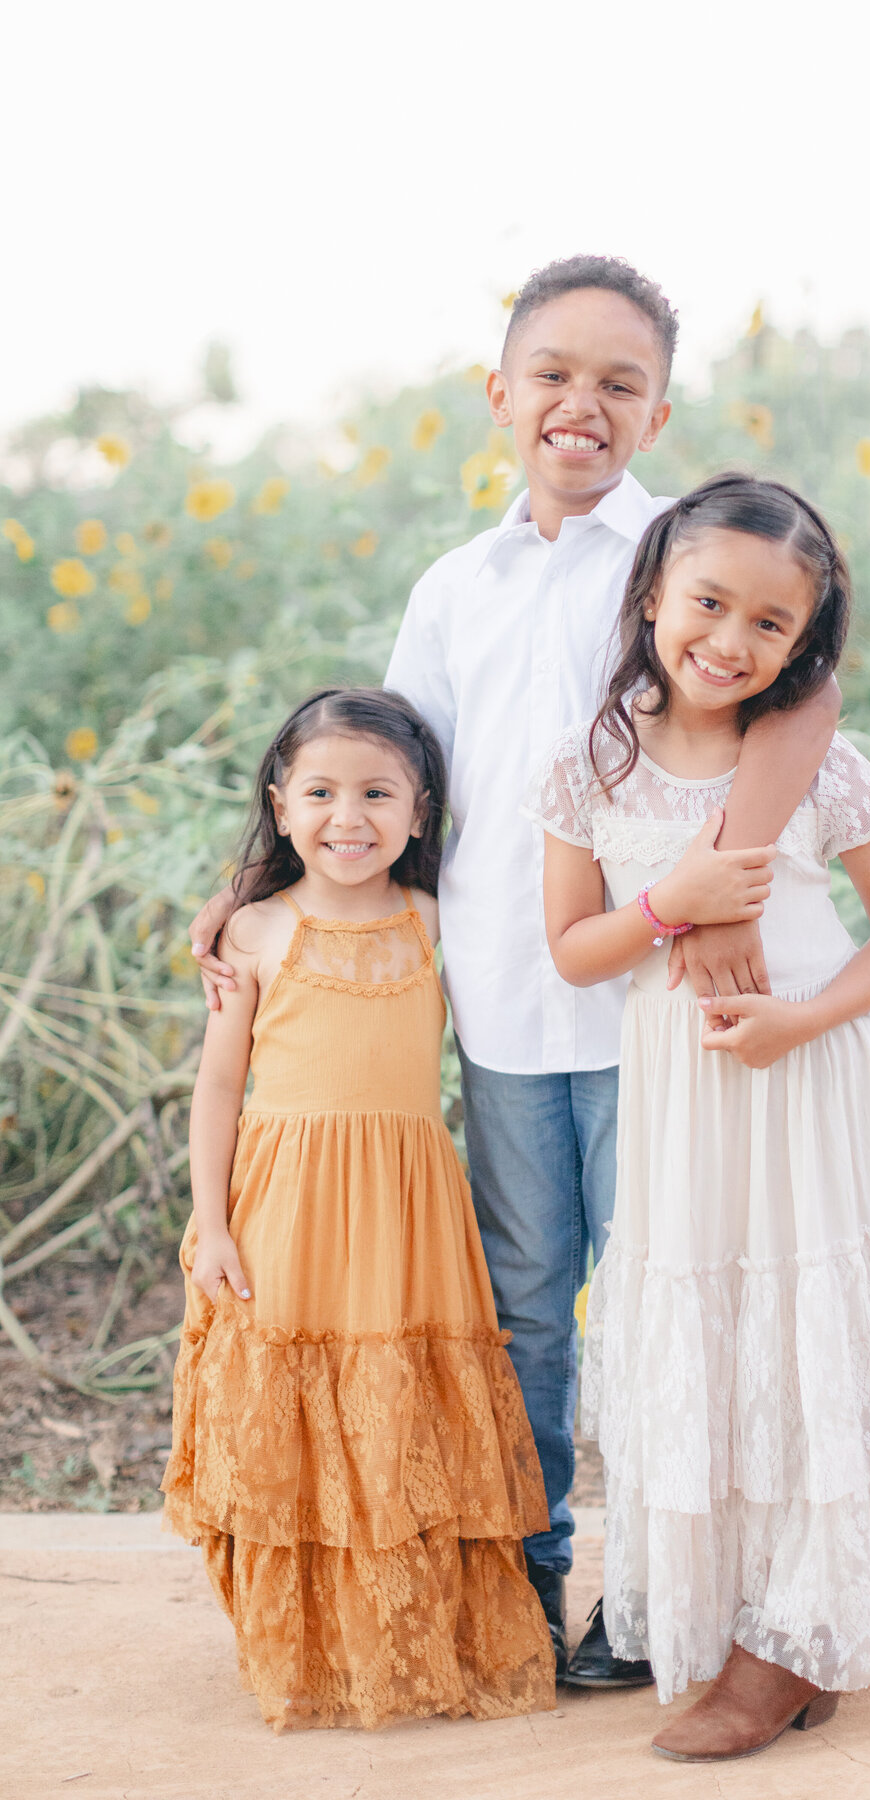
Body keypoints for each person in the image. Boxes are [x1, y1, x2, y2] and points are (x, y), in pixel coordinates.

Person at [188, 255, 841, 1686]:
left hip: (655, 1011)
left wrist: (721, 872)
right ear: (501, 395)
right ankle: (536, 1580)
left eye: (619, 383)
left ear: (658, 413)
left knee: (674, 1294)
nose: (582, 405)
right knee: (527, 1304)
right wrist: (261, 876)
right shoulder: (454, 587)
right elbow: (389, 775)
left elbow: (810, 697)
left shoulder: (680, 560)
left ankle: (681, 1596)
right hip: (497, 1004)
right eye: (554, 374)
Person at [526, 473, 870, 1761]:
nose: (730, 641)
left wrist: (803, 1021)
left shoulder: (818, 768)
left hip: (814, 1082)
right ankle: (758, 1609)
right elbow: (574, 951)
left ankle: (799, 1637)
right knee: (726, 1335)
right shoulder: (591, 769)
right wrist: (674, 901)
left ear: (806, 642)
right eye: (707, 602)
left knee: (821, 1346)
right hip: (686, 1100)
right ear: (651, 597)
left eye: (770, 624)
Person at [162, 687, 555, 1731]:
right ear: (281, 805)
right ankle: (306, 1647)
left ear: (421, 812)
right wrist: (214, 1225)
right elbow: (217, 1088)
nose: (351, 816)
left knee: (401, 1414)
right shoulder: (252, 931)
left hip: (409, 1207)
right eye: (323, 792)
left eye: (379, 792)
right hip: (287, 1203)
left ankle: (405, 1638)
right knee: (297, 1412)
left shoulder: (436, 921)